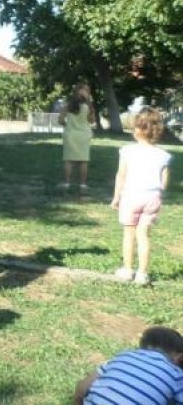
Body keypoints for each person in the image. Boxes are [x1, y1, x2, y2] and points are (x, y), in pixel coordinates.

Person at [110, 108, 171, 286]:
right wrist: (158, 195)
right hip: (152, 198)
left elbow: (121, 175)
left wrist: (116, 197)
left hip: (131, 196)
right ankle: (142, 274)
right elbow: (163, 181)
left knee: (129, 234)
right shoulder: (163, 155)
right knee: (144, 235)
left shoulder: (127, 151)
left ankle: (128, 270)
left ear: (136, 130)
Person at [74, 326, 183, 404]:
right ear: (179, 357)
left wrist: (78, 401)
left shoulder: (124, 355)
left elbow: (83, 386)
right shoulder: (176, 375)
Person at [59, 82, 95, 190]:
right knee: (84, 160)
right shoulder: (88, 107)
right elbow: (92, 121)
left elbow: (60, 120)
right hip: (84, 135)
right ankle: (83, 184)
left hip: (70, 134)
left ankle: (67, 183)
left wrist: (68, 125)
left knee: (68, 160)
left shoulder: (67, 106)